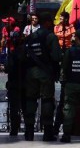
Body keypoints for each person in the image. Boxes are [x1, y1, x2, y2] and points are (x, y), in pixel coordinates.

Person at [23, 12, 61, 141]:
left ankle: (28, 132)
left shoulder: (30, 37)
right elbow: (56, 56)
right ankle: (48, 132)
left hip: (30, 73)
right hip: (45, 73)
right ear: (47, 22)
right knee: (47, 100)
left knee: (30, 100)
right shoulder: (50, 36)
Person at [6, 30, 25, 136]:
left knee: (15, 108)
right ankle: (27, 130)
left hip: (17, 83)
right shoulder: (25, 52)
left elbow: (8, 68)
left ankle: (14, 129)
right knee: (24, 108)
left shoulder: (13, 54)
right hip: (22, 84)